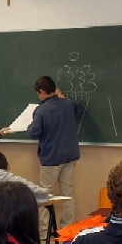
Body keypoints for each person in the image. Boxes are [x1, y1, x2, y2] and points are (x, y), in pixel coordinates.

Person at [27, 76, 85, 233]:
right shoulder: (68, 104)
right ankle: (68, 228)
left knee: (45, 194)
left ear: (42, 91)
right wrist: (62, 97)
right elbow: (79, 107)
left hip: (51, 157)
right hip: (70, 155)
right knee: (68, 193)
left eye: (38, 93)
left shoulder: (42, 110)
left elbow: (33, 133)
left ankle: (44, 231)